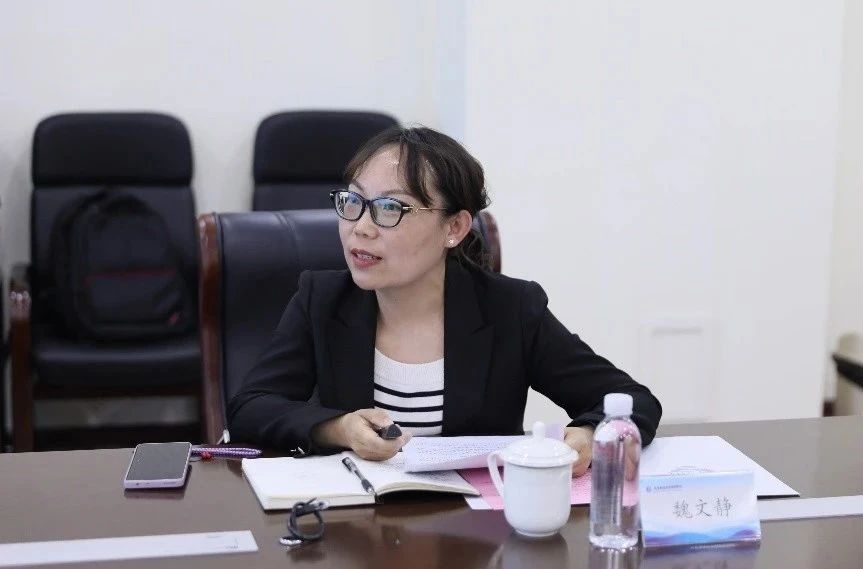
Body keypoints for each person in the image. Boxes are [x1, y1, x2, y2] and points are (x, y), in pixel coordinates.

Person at [228, 126, 661, 475]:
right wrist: (337, 428)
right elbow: (250, 408)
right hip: (356, 525)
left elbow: (633, 400)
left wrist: (590, 432)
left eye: (389, 209)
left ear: (453, 228)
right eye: (353, 202)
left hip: (475, 530)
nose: (360, 227)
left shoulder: (510, 309)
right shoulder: (322, 300)